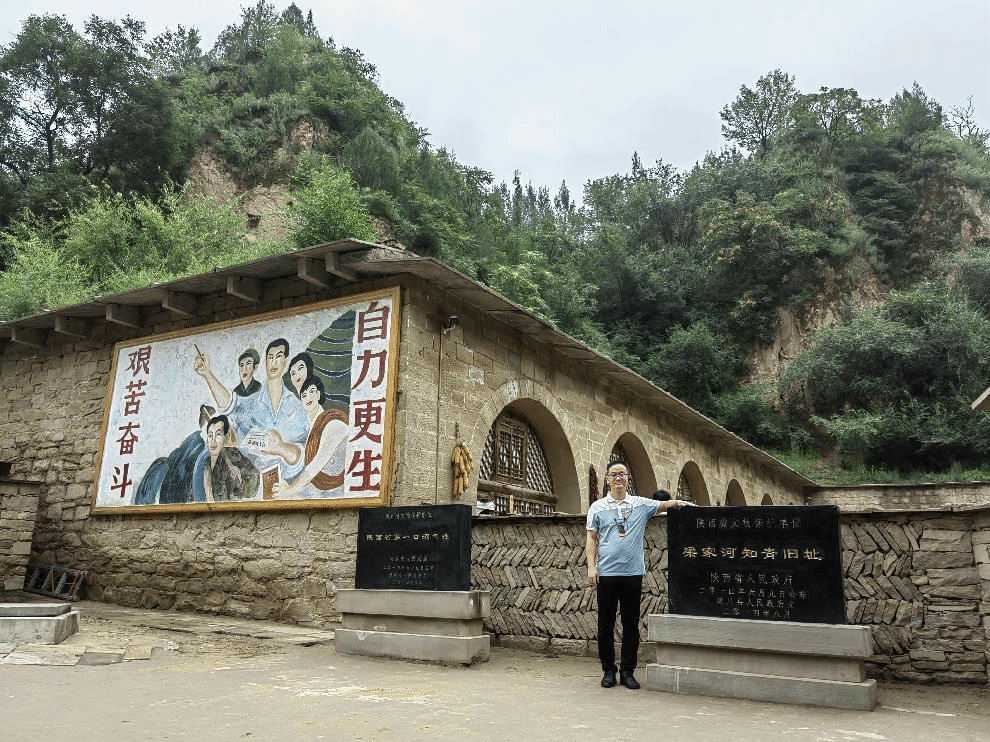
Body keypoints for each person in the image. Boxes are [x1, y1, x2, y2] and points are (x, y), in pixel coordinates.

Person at [586, 461, 693, 689]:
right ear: (607, 480)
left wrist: (683, 503)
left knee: (631, 624)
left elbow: (665, 504)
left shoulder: (640, 504)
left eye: (622, 474)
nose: (618, 478)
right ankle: (608, 670)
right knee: (605, 625)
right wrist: (591, 567)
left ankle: (627, 671)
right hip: (606, 574)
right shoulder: (597, 507)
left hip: (632, 574)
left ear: (628, 479)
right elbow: (591, 539)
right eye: (613, 474)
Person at [203, 414, 260, 501]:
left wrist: (241, 476)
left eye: (218, 434)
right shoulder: (203, 464)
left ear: (226, 438)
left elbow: (254, 475)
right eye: (210, 435)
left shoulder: (233, 454)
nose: (213, 440)